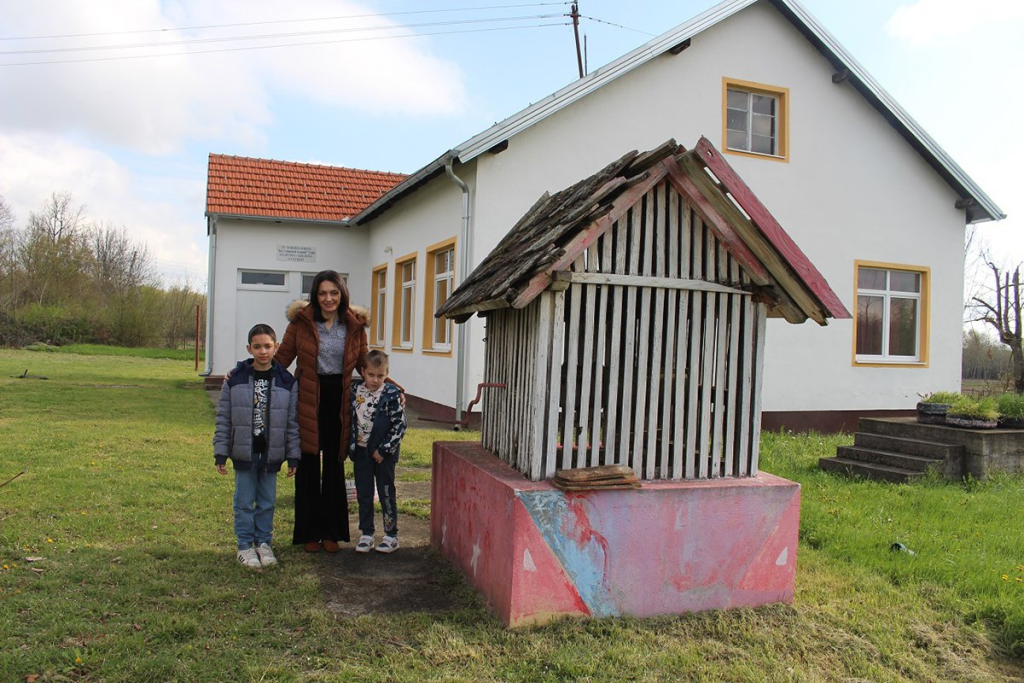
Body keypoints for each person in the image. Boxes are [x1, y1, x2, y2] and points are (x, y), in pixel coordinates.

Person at [275, 270, 368, 553]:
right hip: (307, 398)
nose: (329, 299)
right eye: (323, 293)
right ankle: (308, 533)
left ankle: (331, 532)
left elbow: (366, 366)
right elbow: (280, 361)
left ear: (342, 295)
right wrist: (243, 372)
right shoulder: (300, 324)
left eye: (334, 293)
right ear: (315, 296)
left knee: (334, 465)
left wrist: (391, 390)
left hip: (339, 401)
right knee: (308, 464)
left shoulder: (355, 326)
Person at [213, 323, 299, 570]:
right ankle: (244, 546)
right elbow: (223, 418)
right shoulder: (235, 379)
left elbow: (292, 423)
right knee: (244, 501)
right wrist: (221, 451)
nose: (263, 351)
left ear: (277, 347)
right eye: (257, 346)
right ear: (249, 348)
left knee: (267, 502)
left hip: (271, 453)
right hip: (244, 451)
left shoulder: (286, 381)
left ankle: (263, 543)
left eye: (268, 346)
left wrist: (293, 455)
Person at [349, 350, 407, 554]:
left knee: (385, 493)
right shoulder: (355, 391)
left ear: (387, 374)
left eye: (380, 376)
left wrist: (383, 450)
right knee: (364, 494)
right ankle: (366, 534)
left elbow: (399, 426)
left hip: (384, 456)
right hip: (361, 453)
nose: (375, 380)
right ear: (363, 372)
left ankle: (391, 536)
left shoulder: (391, 394)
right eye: (371, 374)